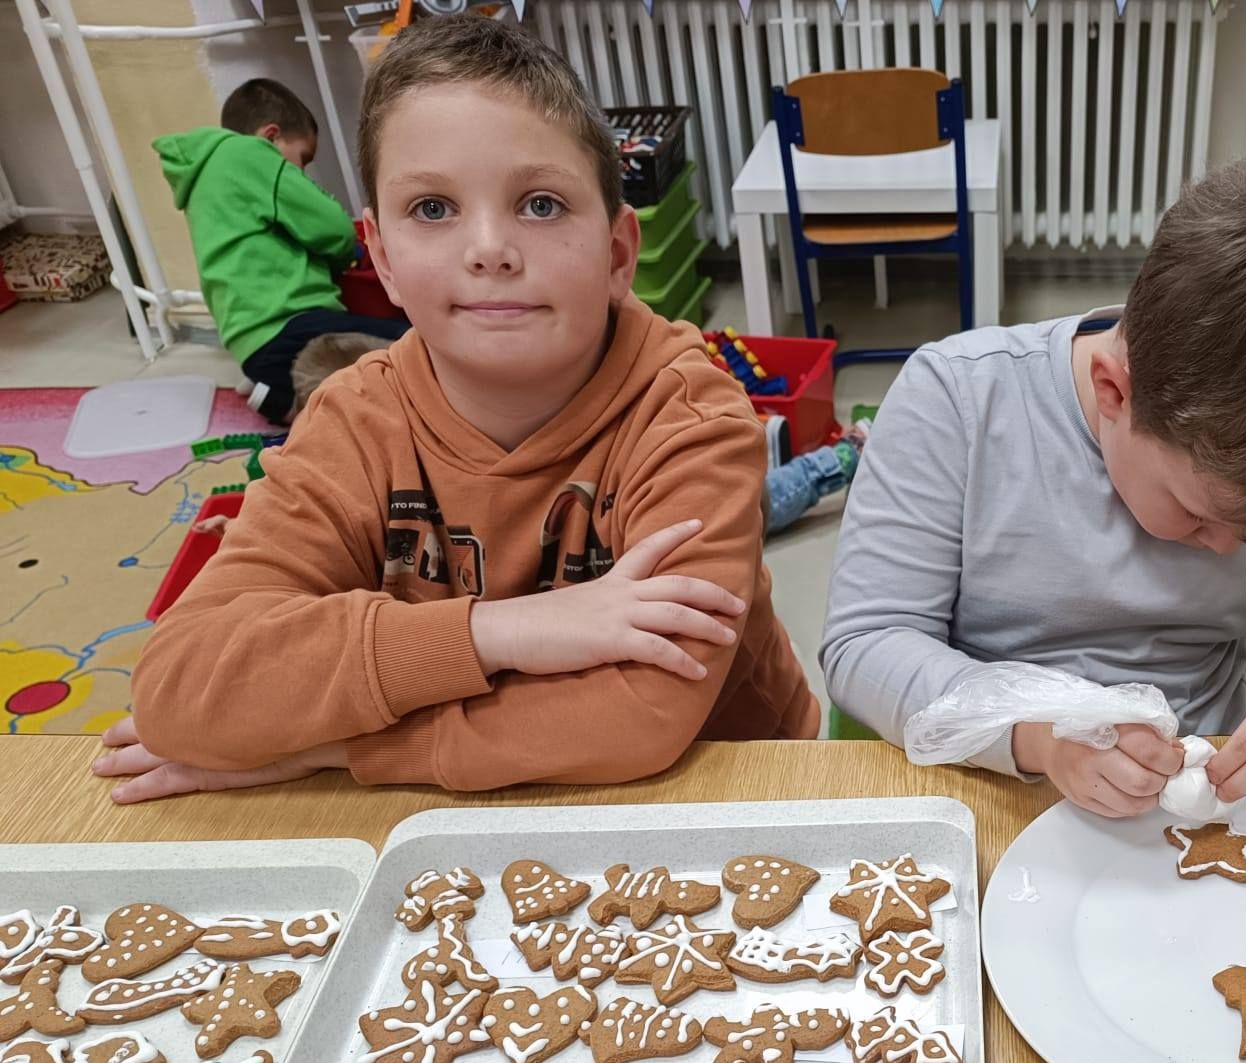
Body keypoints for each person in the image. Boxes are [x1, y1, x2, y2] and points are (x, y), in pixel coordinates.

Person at [100, 15, 816, 803]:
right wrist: (500, 631)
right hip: (452, 804)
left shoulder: (687, 415)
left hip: (720, 789)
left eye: (540, 204)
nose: (489, 249)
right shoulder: (355, 418)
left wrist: (333, 747)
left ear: (617, 253)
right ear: (382, 258)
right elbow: (179, 687)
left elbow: (645, 713)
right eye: (433, 209)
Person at [820, 157, 1246, 818]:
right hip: (989, 786)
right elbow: (867, 645)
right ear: (1114, 391)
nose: (1230, 550)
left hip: (1191, 809)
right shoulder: (959, 401)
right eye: (1198, 514)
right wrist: (1038, 735)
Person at [155, 77, 409, 421]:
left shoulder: (206, 177)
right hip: (290, 324)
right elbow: (332, 226)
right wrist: (350, 252)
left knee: (339, 364)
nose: (301, 173)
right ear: (271, 136)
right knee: (409, 345)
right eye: (302, 160)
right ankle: (287, 399)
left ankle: (279, 392)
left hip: (249, 342)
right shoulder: (250, 154)